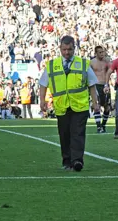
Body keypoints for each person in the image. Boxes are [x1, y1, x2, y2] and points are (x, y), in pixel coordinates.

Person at [39, 35, 99, 172]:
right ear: (60, 48)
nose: (67, 52)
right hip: (61, 106)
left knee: (77, 133)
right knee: (64, 134)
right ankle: (67, 161)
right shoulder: (52, 65)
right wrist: (42, 100)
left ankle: (77, 161)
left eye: (70, 49)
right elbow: (43, 84)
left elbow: (92, 84)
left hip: (80, 105)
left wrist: (95, 103)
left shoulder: (83, 64)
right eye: (64, 49)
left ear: (74, 48)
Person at [90, 46, 112, 133]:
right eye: (100, 52)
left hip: (105, 85)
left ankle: (103, 125)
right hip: (96, 85)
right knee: (97, 106)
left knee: (107, 107)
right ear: (96, 53)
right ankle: (99, 127)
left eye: (103, 52)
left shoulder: (107, 61)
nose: (102, 54)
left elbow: (111, 70)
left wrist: (108, 61)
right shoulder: (92, 62)